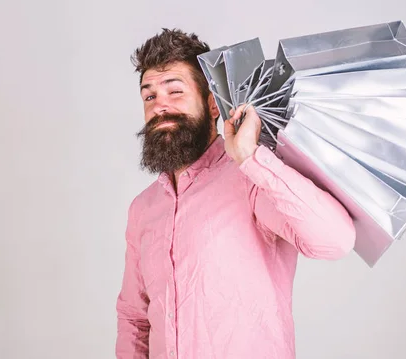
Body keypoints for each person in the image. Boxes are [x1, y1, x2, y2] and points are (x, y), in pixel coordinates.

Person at [115, 28, 356, 359]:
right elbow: (135, 319)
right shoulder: (142, 209)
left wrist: (252, 158)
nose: (160, 107)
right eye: (150, 96)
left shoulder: (251, 178)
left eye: (175, 91)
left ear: (212, 105)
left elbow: (336, 240)